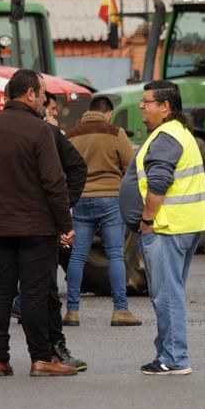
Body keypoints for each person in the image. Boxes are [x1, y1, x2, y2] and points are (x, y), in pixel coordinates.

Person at [0, 69, 78, 377]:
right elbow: (54, 183)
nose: (44, 100)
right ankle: (42, 358)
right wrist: (64, 223)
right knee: (35, 294)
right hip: (36, 228)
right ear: (29, 94)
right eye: (43, 94)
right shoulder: (39, 131)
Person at [118, 81, 205, 375]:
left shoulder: (166, 136)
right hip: (181, 224)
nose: (141, 107)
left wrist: (147, 219)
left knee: (167, 294)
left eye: (147, 102)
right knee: (169, 291)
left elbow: (159, 181)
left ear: (165, 106)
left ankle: (174, 358)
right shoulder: (177, 133)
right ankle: (167, 352)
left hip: (167, 227)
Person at [64, 94, 140, 327]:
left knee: (77, 256)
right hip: (110, 200)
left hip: (81, 200)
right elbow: (131, 167)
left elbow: (64, 168)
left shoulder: (71, 135)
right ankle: (120, 310)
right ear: (108, 113)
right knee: (115, 254)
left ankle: (72, 312)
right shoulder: (115, 133)